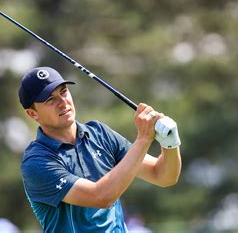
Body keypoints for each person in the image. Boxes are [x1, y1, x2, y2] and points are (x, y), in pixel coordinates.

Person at [18, 66, 182, 232]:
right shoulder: (37, 162)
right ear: (33, 114)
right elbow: (101, 197)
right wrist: (143, 139)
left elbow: (163, 175)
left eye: (64, 91)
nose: (62, 102)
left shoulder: (100, 134)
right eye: (50, 100)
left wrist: (170, 143)